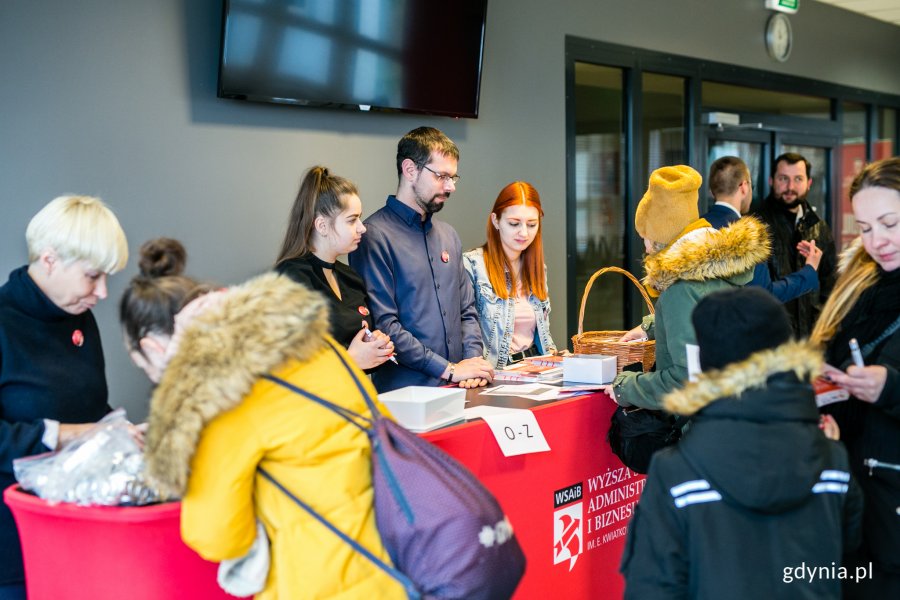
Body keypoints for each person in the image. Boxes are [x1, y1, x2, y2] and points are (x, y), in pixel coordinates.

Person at [122, 239, 406, 600]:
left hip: (317, 582)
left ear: (154, 349)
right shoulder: (320, 346)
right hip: (396, 560)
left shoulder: (223, 401)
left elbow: (217, 536)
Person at [621, 287, 862, 599]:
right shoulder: (833, 462)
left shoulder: (677, 472)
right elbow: (852, 562)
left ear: (705, 365)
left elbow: (650, 586)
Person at [0, 195, 128, 599]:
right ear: (50, 260)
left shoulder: (78, 317)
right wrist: (66, 434)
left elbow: (90, 409)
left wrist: (119, 432)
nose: (103, 291)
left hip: (80, 529)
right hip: (12, 544)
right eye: (93, 276)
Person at [601, 165, 768, 409]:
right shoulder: (718, 269)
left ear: (659, 237)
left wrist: (627, 386)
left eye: (645, 237)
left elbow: (686, 381)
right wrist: (651, 326)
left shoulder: (679, 289)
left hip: (703, 426)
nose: (645, 248)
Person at [811, 156, 900, 598]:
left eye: (889, 223)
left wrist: (891, 387)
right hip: (850, 490)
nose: (878, 241)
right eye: (865, 228)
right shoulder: (860, 280)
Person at [349, 126, 493, 391]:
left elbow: (467, 311)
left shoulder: (449, 235)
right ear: (410, 170)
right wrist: (449, 370)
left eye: (453, 177)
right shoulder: (374, 236)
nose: (450, 187)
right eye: (441, 176)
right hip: (407, 395)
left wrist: (472, 361)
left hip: (461, 387)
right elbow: (386, 326)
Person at [275, 166, 394, 370]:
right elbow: (288, 365)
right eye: (351, 220)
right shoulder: (292, 278)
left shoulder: (350, 277)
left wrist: (374, 348)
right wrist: (351, 360)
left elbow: (358, 353)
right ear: (321, 226)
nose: (362, 227)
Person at [463, 181, 557, 369]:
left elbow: (543, 334)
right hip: (496, 371)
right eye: (514, 223)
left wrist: (557, 357)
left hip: (535, 367)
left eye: (532, 224)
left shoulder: (538, 268)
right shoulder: (473, 265)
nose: (523, 232)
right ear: (496, 220)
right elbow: (464, 329)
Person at [703, 155, 822, 302]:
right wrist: (809, 271)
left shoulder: (695, 227)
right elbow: (764, 296)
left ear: (711, 190)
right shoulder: (748, 235)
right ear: (744, 187)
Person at [754, 152, 837, 336]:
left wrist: (823, 330)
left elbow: (831, 286)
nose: (790, 187)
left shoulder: (819, 227)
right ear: (771, 181)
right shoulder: (754, 226)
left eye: (798, 179)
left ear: (809, 183)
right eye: (783, 178)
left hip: (813, 337)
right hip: (771, 339)